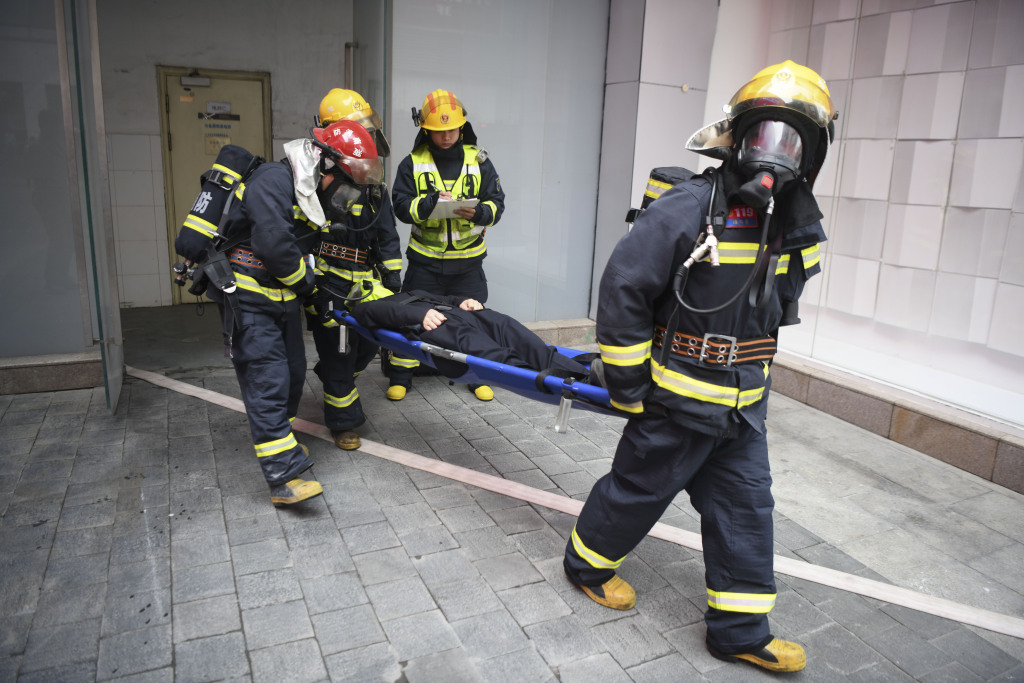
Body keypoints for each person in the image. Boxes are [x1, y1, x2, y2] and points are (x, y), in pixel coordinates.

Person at [562, 61, 838, 673]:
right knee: (638, 491)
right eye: (764, 136)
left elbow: (773, 310)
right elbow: (624, 288)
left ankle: (739, 632)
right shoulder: (690, 208)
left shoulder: (796, 223)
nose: (775, 155)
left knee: (746, 507)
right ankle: (586, 564)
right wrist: (630, 382)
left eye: (791, 141)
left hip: (743, 405)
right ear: (736, 139)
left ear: (811, 155)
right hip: (677, 398)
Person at [388, 89, 505, 402]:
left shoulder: (480, 161)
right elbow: (399, 206)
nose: (446, 135)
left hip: (468, 265)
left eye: (452, 129)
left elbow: (498, 204)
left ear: (462, 127)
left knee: (474, 321)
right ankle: (401, 375)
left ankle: (477, 376)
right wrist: (426, 205)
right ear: (426, 130)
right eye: (439, 131)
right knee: (413, 319)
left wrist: (480, 212)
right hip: (425, 263)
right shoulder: (411, 163)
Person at [307, 89, 403, 451]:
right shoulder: (314, 179)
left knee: (366, 346)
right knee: (338, 352)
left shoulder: (373, 180)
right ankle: (343, 423)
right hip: (328, 283)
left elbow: (386, 231)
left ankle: (335, 378)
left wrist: (392, 273)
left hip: (365, 282)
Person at [350, 285, 588, 380]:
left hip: (466, 315)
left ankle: (585, 375)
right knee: (492, 353)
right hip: (439, 326)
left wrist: (465, 300)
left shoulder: (412, 292)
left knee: (517, 334)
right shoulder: (372, 306)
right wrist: (417, 316)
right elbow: (364, 313)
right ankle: (539, 379)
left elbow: (447, 298)